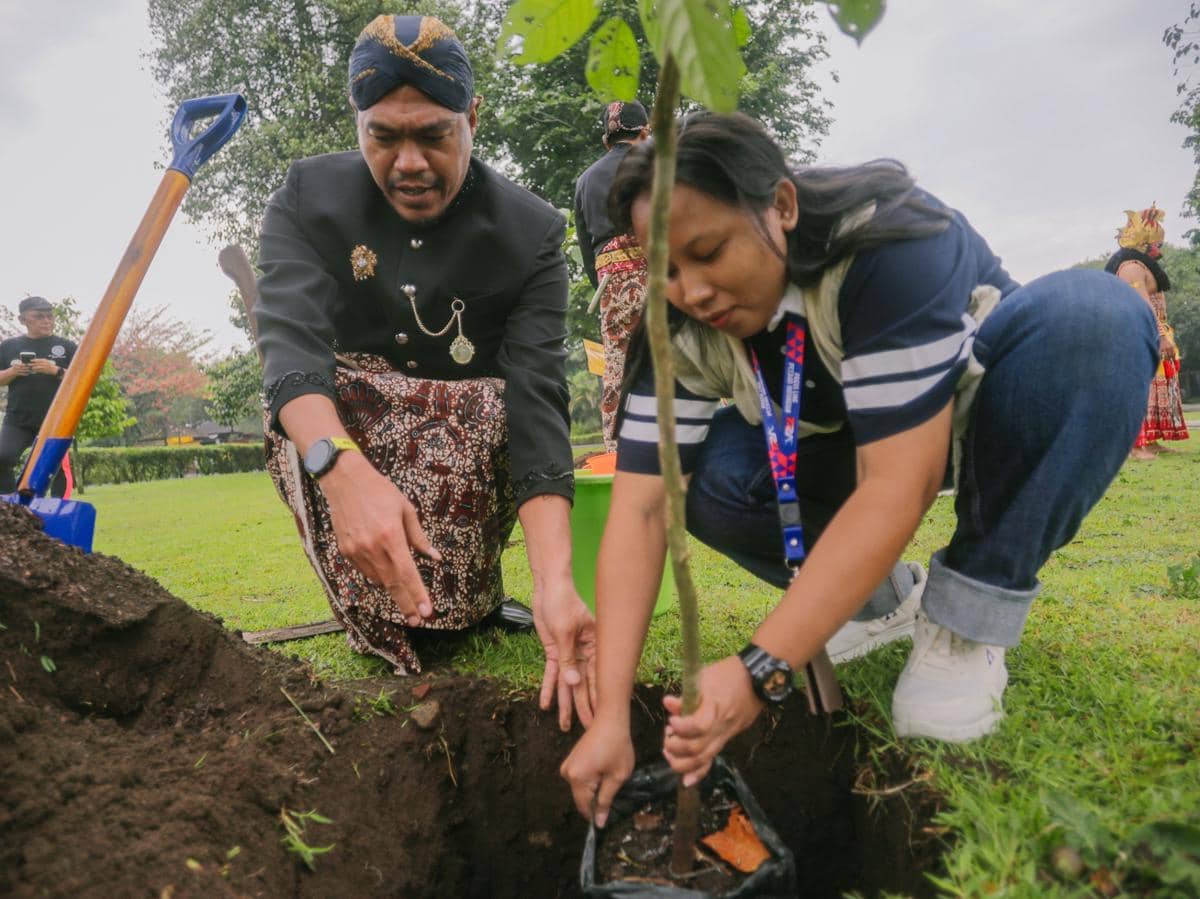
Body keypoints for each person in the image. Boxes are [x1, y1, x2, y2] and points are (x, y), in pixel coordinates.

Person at [560, 113, 1157, 825]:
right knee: (707, 472)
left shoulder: (887, 238)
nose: (694, 292)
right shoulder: (677, 322)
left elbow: (898, 480)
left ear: (781, 207)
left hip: (978, 413)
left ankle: (968, 612)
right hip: (830, 441)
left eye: (709, 251)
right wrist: (609, 719)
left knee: (1097, 314)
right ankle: (879, 603)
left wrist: (760, 669)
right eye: (666, 271)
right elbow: (643, 507)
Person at [254, 14, 594, 729]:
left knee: (453, 621)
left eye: (433, 134)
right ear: (359, 127)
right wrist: (342, 472)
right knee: (310, 407)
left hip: (472, 439)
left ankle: (468, 596)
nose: (409, 162)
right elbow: (289, 354)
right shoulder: (306, 199)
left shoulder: (531, 232)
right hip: (348, 434)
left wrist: (554, 582)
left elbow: (537, 400)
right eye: (384, 135)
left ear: (472, 118)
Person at [574, 101, 652, 450]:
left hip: (612, 283)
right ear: (644, 132)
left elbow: (588, 251)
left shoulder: (585, 181)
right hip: (659, 276)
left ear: (608, 140)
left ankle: (617, 449)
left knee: (617, 364)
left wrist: (607, 282)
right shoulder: (656, 166)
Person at [1105, 204, 1189, 460]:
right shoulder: (1131, 267)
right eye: (1157, 245)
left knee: (1156, 387)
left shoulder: (1142, 266)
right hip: (1137, 334)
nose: (1159, 250)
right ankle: (1134, 446)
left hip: (1151, 332)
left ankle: (1151, 441)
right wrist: (1160, 336)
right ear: (1145, 244)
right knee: (1140, 387)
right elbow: (1141, 304)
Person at [0, 296, 76, 497]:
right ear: (23, 319)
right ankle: (10, 507)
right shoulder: (8, 347)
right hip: (18, 419)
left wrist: (56, 371)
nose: (47, 321)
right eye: (39, 316)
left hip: (56, 419)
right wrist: (12, 372)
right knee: (2, 457)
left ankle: (59, 511)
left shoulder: (66, 346)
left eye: (50, 316)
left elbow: (84, 378)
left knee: (56, 467)